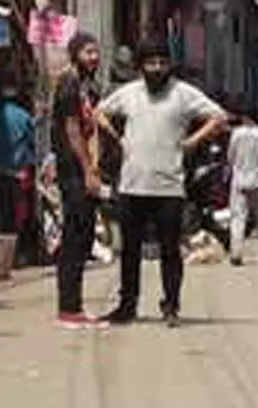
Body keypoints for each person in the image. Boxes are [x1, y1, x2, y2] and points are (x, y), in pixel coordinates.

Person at [95, 43, 224, 327]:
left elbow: (219, 116)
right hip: (131, 185)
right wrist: (115, 137)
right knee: (130, 251)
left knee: (170, 251)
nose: (156, 68)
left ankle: (171, 305)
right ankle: (127, 305)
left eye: (162, 62)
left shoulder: (183, 93)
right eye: (151, 63)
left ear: (170, 65)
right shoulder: (129, 93)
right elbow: (99, 112)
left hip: (169, 187)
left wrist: (192, 141)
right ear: (141, 66)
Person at [51, 33, 107, 328]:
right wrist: (87, 169)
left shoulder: (87, 87)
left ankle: (75, 306)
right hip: (72, 170)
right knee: (75, 236)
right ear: (75, 54)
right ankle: (68, 307)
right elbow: (72, 130)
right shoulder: (69, 84)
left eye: (96, 52)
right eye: (88, 52)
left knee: (83, 235)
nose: (94, 58)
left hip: (82, 168)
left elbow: (91, 127)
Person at [0, 86, 36, 245]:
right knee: (20, 210)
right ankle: (18, 244)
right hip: (20, 171)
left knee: (3, 208)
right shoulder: (24, 116)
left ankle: (5, 244)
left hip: (0, 170)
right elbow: (32, 141)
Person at [226, 106, 258, 266]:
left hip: (239, 181)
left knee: (237, 218)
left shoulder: (236, 134)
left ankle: (236, 253)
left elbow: (230, 157)